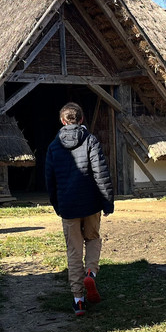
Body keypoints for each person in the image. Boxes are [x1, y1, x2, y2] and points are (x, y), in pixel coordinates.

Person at [44, 102, 114, 316]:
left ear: (63, 121)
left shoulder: (54, 146)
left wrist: (58, 205)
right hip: (91, 203)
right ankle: (91, 273)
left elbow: (50, 180)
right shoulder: (91, 141)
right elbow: (101, 173)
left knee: (74, 251)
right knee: (92, 239)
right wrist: (107, 201)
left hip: (68, 206)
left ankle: (79, 300)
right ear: (81, 120)